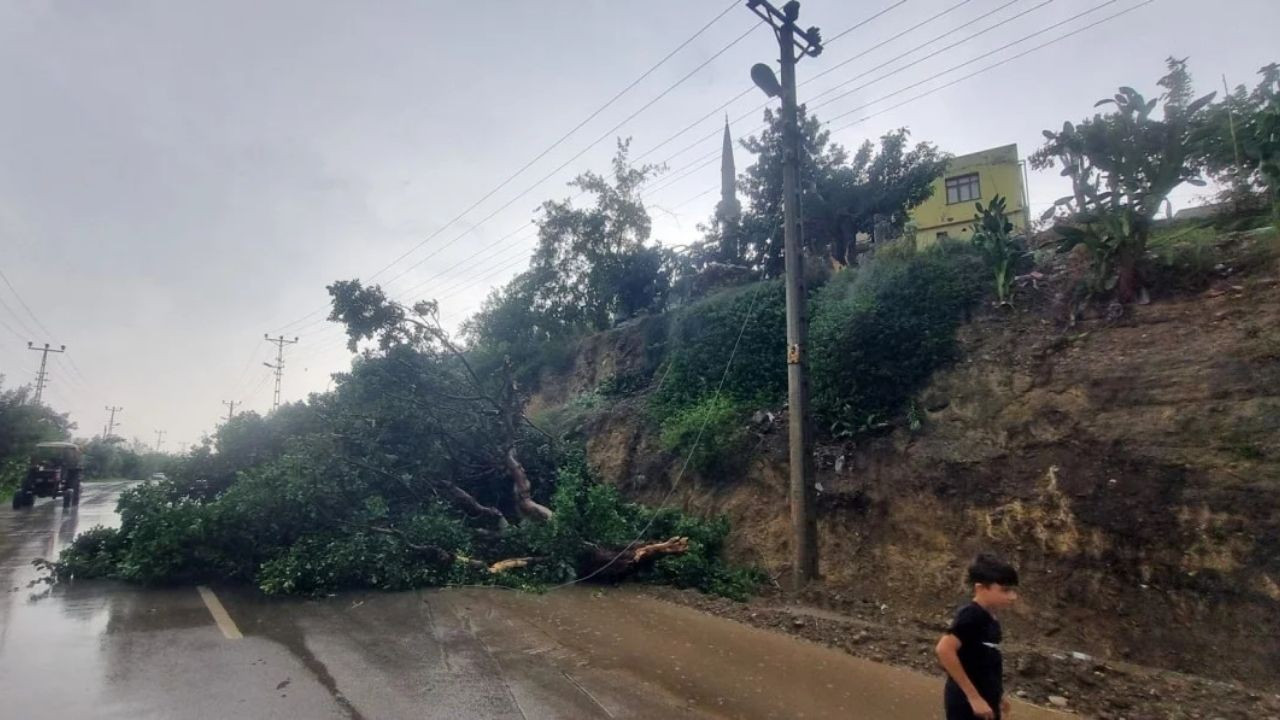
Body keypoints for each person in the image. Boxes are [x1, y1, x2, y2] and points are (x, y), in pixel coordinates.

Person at [935, 554, 1020, 720]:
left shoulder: (990, 617)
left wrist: (997, 695)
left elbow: (984, 661)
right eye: (1005, 590)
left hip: (985, 699)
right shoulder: (971, 615)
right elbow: (944, 649)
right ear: (981, 588)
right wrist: (973, 697)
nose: (1012, 597)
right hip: (967, 703)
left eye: (1012, 590)